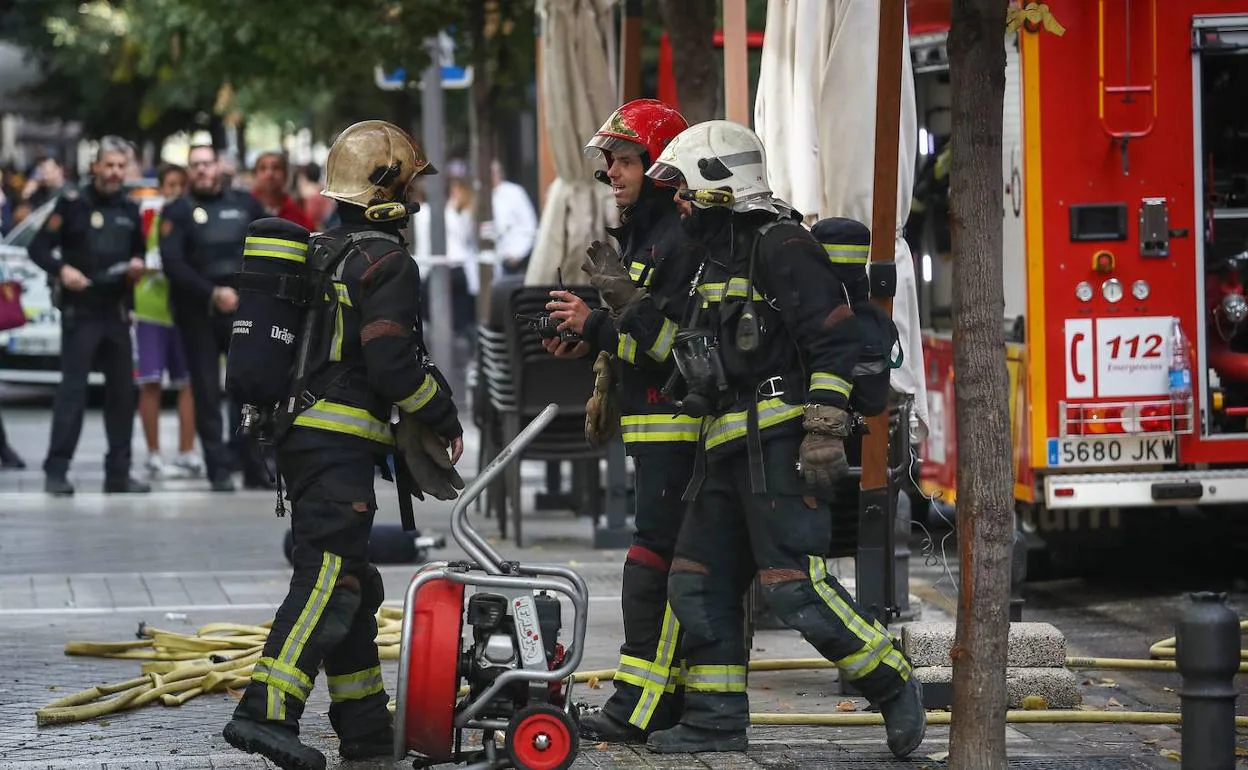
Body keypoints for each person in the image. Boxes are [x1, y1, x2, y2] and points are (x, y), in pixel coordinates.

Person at [639, 120, 926, 758]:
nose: (677, 203)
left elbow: (834, 339)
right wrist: (626, 312)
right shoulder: (716, 257)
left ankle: (891, 679)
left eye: (683, 189)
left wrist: (824, 427)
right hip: (722, 449)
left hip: (777, 446)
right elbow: (689, 358)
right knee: (696, 581)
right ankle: (714, 720)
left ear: (719, 185)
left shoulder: (782, 244)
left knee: (792, 584)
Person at [221, 119, 464, 770]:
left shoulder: (325, 251)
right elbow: (390, 363)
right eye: (410, 185)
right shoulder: (386, 262)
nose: (415, 199)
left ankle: (364, 729)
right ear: (386, 189)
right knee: (328, 576)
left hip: (304, 441)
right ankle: (265, 712)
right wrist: (441, 414)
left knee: (352, 579)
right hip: (334, 445)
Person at [543, 99, 702, 744]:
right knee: (656, 559)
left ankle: (641, 703)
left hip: (678, 427)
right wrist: (591, 337)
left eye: (625, 159)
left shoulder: (680, 241)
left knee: (652, 562)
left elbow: (673, 347)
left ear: (662, 167)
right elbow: (640, 335)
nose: (611, 170)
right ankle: (656, 697)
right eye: (609, 160)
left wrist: (598, 324)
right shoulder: (644, 236)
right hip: (652, 427)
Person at [26, 137, 150, 496]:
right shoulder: (73, 204)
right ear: (95, 166)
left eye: (119, 166)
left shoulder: (129, 208)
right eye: (108, 165)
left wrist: (138, 266)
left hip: (115, 311)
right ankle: (57, 470)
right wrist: (62, 270)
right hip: (81, 311)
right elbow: (38, 248)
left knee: (123, 396)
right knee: (73, 394)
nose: (114, 173)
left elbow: (138, 250)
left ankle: (119, 474)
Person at [159, 144, 268, 492]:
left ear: (219, 165)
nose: (202, 170)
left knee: (248, 392)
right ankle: (218, 469)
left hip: (243, 311)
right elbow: (172, 263)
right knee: (206, 392)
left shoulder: (244, 204)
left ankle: (253, 467)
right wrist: (212, 293)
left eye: (207, 163)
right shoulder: (177, 211)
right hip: (199, 314)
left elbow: (266, 248)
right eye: (195, 165)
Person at [135, 163, 202, 480]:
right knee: (150, 382)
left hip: (183, 309)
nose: (174, 189)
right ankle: (152, 453)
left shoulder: (191, 217)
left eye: (179, 184)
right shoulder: (150, 217)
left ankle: (187, 451)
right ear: (160, 187)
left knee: (188, 383)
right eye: (169, 184)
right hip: (151, 308)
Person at [484, 159, 537, 280]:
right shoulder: (480, 196)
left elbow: (529, 226)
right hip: (489, 263)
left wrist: (517, 254)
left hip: (513, 261)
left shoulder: (514, 193)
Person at [252, 152, 312, 229]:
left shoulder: (296, 211)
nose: (269, 174)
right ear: (254, 174)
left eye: (276, 168)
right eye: (263, 168)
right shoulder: (244, 208)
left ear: (286, 175)